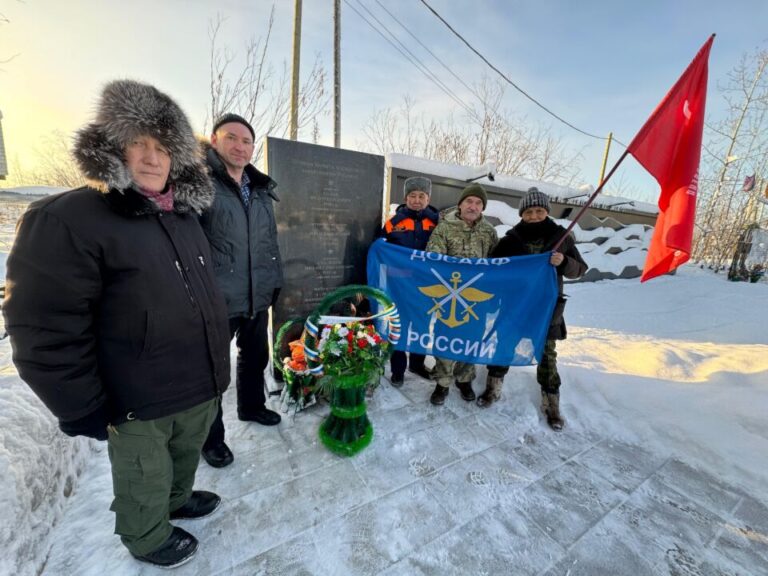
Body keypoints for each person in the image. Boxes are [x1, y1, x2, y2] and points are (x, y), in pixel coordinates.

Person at [2, 80, 230, 568]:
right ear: (112, 147)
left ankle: (176, 500)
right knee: (143, 474)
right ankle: (145, 537)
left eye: (162, 147)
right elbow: (45, 327)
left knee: (182, 456)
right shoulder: (69, 218)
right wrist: (81, 404)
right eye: (138, 143)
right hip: (135, 396)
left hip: (197, 380)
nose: (151, 158)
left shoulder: (186, 216)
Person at [199, 113, 283, 469]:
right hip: (216, 297)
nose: (240, 146)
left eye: (247, 141)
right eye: (231, 138)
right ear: (215, 141)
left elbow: (268, 241)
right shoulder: (199, 183)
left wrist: (273, 281)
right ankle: (211, 440)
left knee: (255, 356)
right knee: (213, 374)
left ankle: (251, 406)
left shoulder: (260, 189)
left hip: (255, 293)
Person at [484, 187, 587, 429]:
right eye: (529, 211)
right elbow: (492, 269)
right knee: (504, 345)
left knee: (547, 355)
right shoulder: (510, 240)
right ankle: (492, 389)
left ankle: (551, 405)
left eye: (539, 210)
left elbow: (580, 269)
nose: (534, 215)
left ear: (546, 212)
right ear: (522, 214)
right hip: (515, 307)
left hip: (546, 310)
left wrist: (564, 262)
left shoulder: (561, 238)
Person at [425, 183, 498, 405]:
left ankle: (464, 379)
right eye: (469, 201)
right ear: (460, 204)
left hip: (476, 299)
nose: (473, 206)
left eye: (478, 203)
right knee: (445, 340)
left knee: (472, 340)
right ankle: (443, 382)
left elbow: (497, 264)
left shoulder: (489, 232)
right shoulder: (444, 228)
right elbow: (433, 257)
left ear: (482, 208)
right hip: (450, 297)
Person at [382, 176, 439, 386]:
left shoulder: (437, 223)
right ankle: (398, 370)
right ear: (406, 198)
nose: (417, 200)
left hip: (426, 286)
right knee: (399, 327)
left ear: (428, 198)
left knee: (422, 327)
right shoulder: (392, 223)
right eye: (412, 196)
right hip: (399, 286)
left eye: (421, 196)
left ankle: (417, 363)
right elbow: (381, 249)